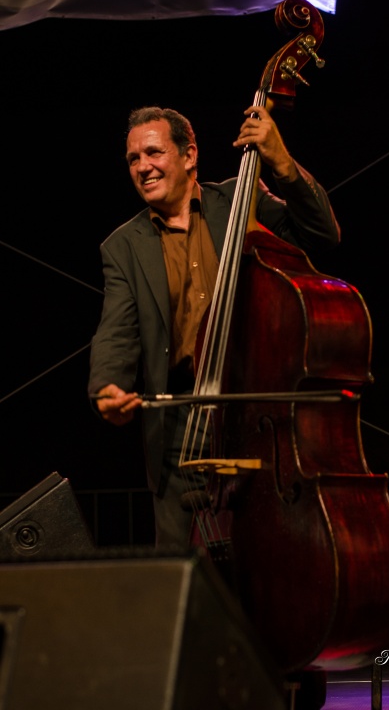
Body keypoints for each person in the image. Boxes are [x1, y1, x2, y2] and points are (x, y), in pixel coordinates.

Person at [88, 104, 340, 553]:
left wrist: (282, 162)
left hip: (257, 409)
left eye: (153, 153)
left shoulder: (242, 200)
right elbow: (117, 330)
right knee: (179, 568)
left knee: (274, 553)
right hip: (181, 421)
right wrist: (108, 385)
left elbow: (322, 235)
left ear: (189, 155)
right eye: (133, 159)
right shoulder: (122, 247)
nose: (142, 167)